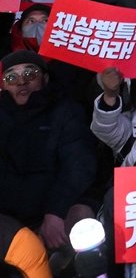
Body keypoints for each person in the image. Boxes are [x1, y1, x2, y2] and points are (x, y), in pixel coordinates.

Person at [0, 51, 97, 252]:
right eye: (11, 77)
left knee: (81, 217)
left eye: (29, 74)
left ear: (44, 78)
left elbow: (78, 164)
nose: (21, 82)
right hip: (7, 219)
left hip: (53, 211)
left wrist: (55, 211)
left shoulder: (66, 110)